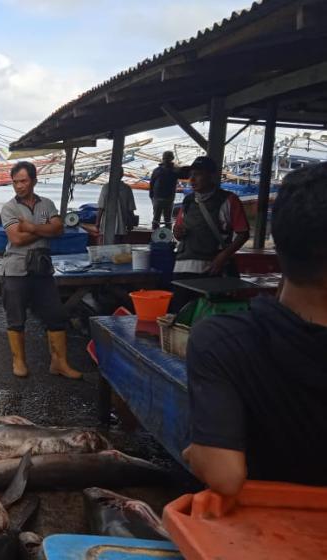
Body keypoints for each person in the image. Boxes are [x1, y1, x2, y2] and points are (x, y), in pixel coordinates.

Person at [182, 162, 327, 497]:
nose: (193, 180)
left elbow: (224, 475)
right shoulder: (190, 203)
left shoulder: (220, 341)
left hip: (260, 535)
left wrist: (195, 452)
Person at [1, 161, 83, 380]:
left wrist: (32, 227)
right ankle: (19, 361)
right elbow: (17, 239)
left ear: (34, 181)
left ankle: (59, 362)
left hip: (42, 269)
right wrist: (47, 230)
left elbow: (60, 228)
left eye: (24, 181)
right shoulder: (9, 208)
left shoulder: (46, 203)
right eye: (15, 182)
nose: (19, 186)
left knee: (56, 315)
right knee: (16, 318)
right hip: (16, 269)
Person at [170, 155, 250, 312]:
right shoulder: (187, 201)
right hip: (182, 270)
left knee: (207, 317)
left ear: (211, 176)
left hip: (210, 271)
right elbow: (178, 232)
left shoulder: (229, 200)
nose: (192, 179)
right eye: (191, 175)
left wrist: (223, 257)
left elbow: (243, 233)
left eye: (198, 174)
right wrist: (177, 232)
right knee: (179, 316)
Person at [96, 167, 137, 244]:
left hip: (106, 225)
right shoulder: (127, 188)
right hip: (121, 226)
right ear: (122, 175)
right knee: (118, 248)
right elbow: (130, 210)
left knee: (105, 248)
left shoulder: (106, 187)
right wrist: (130, 224)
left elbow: (101, 207)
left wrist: (97, 223)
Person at [148, 151, 185, 229]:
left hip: (167, 199)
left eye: (168, 158)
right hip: (160, 198)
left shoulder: (173, 170)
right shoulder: (159, 170)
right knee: (158, 219)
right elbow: (151, 184)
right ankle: (155, 235)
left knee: (166, 219)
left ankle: (165, 236)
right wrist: (152, 196)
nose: (166, 160)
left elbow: (151, 185)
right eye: (165, 158)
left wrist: (151, 196)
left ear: (172, 159)